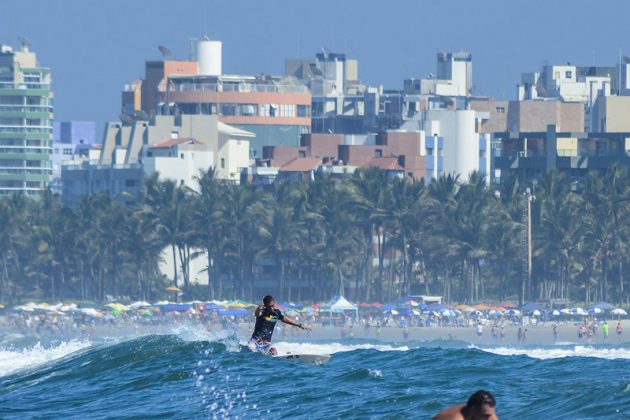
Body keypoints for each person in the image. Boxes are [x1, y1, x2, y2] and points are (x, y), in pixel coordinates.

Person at [434, 390, 498, 420]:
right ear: (473, 410)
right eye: (486, 416)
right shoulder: (456, 418)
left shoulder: (488, 412)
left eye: (491, 414)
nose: (490, 418)